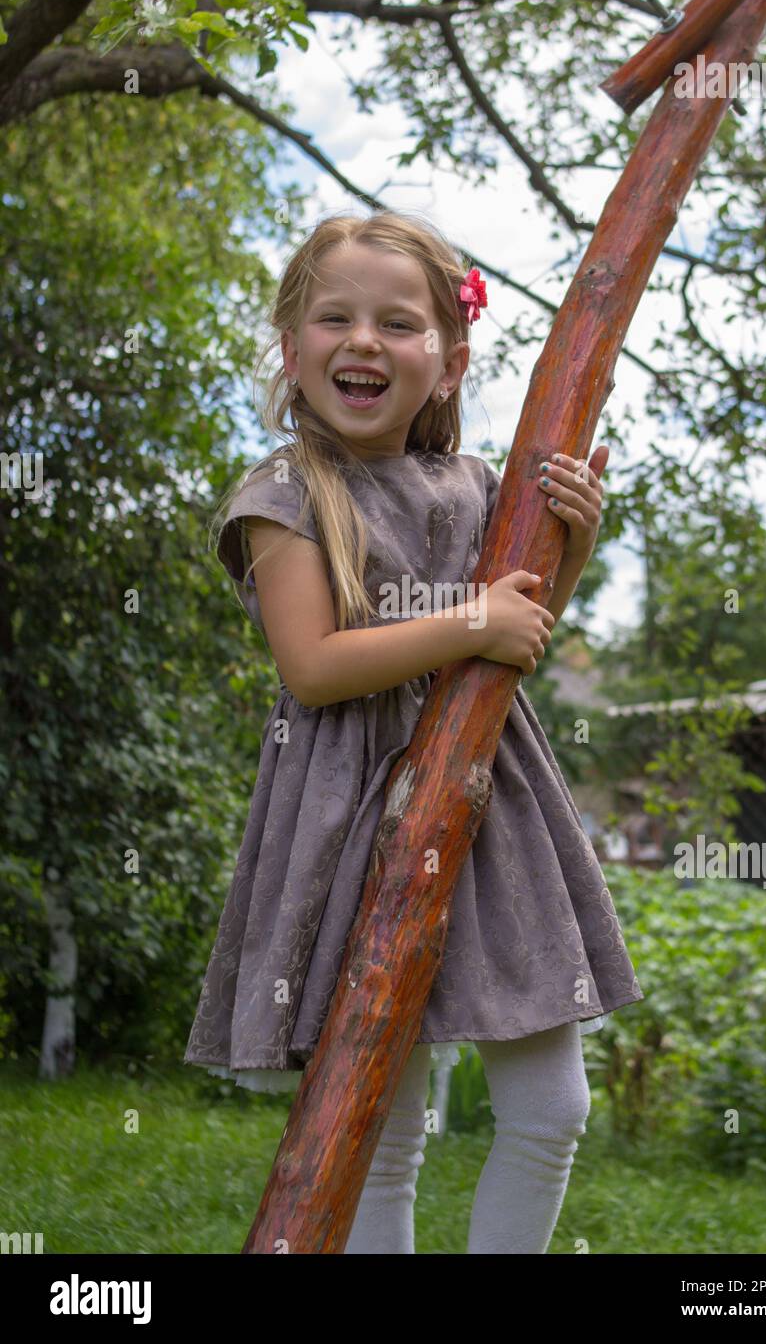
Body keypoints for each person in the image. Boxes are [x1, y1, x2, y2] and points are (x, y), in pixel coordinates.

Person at [184, 208, 644, 1253]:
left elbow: (517, 637)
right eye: (334, 318)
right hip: (352, 818)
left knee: (551, 1107)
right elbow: (312, 664)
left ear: (447, 360)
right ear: (292, 345)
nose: (363, 341)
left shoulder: (478, 484)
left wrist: (567, 542)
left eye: (398, 324)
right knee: (379, 1123)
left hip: (494, 806)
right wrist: (469, 623)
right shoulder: (286, 495)